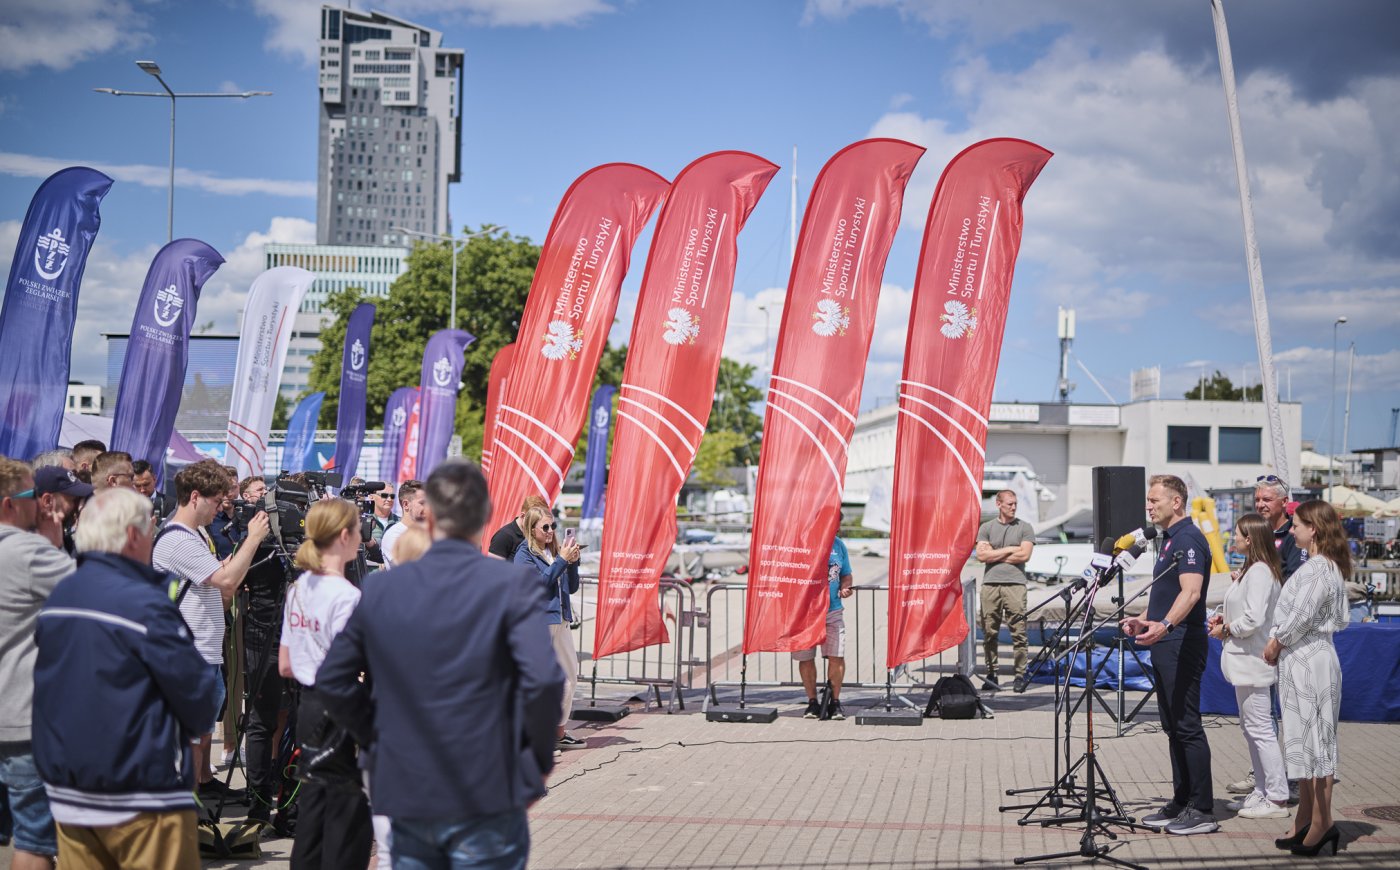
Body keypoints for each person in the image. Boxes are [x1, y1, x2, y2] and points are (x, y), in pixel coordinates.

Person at [317, 459, 564, 869]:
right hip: (487, 784)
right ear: (485, 517)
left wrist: (376, 735)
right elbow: (542, 683)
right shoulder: (510, 585)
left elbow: (333, 678)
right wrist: (534, 764)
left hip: (410, 783)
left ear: (429, 515)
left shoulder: (383, 588)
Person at [31, 488, 222, 869]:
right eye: (150, 527)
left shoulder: (62, 595)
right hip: (142, 793)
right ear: (133, 536)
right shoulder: (145, 603)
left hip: (70, 791)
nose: (154, 535)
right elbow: (199, 698)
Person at [152, 460, 270, 797]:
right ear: (194, 497)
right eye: (217, 501)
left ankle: (196, 802)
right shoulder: (179, 539)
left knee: (199, 737)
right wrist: (253, 538)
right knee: (189, 743)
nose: (221, 507)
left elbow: (220, 587)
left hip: (203, 652)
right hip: (189, 656)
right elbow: (227, 580)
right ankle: (185, 819)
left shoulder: (192, 536)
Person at [277, 499, 372, 869]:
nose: (362, 535)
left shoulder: (299, 587)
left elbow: (286, 663)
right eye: (359, 528)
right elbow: (347, 667)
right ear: (345, 535)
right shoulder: (346, 596)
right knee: (345, 822)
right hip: (340, 711)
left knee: (313, 813)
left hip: (307, 708)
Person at [1121, 473, 1216, 835]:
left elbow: (1191, 594)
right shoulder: (1168, 540)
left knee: (1187, 725)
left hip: (1182, 643)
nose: (1148, 505)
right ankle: (1182, 800)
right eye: (1148, 499)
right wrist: (1144, 620)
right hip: (1165, 641)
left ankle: (1203, 808)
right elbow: (1168, 595)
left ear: (1176, 502)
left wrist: (1166, 627)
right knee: (1172, 726)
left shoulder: (1189, 538)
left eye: (1154, 499)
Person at [0, 458, 76, 870]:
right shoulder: (27, 551)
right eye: (33, 497)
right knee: (34, 841)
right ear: (10, 504)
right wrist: (53, 540)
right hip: (21, 722)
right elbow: (87, 597)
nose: (42, 507)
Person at [1264, 500, 1350, 856]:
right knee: (1303, 743)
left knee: (1318, 745)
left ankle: (1322, 822)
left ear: (1313, 529)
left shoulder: (1318, 569)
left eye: (1297, 524)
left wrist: (1275, 642)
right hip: (1303, 659)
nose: (1292, 529)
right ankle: (1305, 817)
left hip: (1310, 659)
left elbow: (1301, 614)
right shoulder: (1316, 565)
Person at [1226, 474, 1307, 799]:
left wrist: (1253, 584)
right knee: (1259, 722)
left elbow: (1294, 586)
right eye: (1257, 500)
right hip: (1267, 639)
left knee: (1277, 716)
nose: (1260, 505)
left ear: (1282, 503)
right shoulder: (1260, 542)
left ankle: (1286, 782)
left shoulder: (1292, 536)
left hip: (1283, 638)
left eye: (1266, 500)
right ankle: (1264, 780)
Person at [1208, 513, 1289, 820]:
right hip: (1244, 661)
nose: (1234, 539)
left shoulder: (1259, 572)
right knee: (1251, 727)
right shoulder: (1250, 570)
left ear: (1250, 538)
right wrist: (1222, 620)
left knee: (1260, 729)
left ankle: (1277, 796)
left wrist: (1226, 629)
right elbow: (1243, 609)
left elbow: (1254, 619)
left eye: (1239, 534)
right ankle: (1264, 790)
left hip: (1254, 661)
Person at [235, 474, 295, 826]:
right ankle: (258, 804)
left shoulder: (305, 538)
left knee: (297, 722)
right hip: (263, 633)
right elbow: (236, 578)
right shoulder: (256, 538)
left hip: (297, 634)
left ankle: (289, 807)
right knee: (261, 721)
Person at [514, 506, 584, 750]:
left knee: (569, 679)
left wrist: (572, 562)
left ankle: (558, 733)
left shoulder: (555, 551)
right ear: (532, 529)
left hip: (561, 620)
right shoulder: (524, 554)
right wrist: (563, 560)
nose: (551, 531)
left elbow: (572, 587)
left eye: (553, 526)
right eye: (545, 527)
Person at [975, 490, 1034, 692]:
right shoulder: (986, 528)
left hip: (1015, 585)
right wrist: (1010, 549)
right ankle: (992, 674)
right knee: (989, 632)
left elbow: (1024, 555)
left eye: (1015, 503)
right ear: (999, 504)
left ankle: (1020, 675)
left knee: (1019, 632)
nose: (1014, 507)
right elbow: (982, 557)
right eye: (1009, 504)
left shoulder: (1025, 528)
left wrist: (995, 553)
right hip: (990, 585)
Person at [794, 535, 854, 720]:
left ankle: (835, 702)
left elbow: (846, 574)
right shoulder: (801, 542)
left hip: (833, 611)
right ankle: (812, 702)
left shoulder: (838, 544)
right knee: (805, 657)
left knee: (837, 656)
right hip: (805, 613)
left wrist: (846, 587)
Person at [33, 466, 90, 556]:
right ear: (48, 501)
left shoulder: (60, 535)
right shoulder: (31, 545)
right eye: (73, 500)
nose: (77, 506)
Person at [378, 479, 424, 569]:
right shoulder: (394, 535)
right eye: (422, 503)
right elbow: (410, 568)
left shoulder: (429, 533)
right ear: (406, 504)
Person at [489, 495, 550, 560]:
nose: (539, 524)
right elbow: (492, 568)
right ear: (523, 516)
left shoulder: (537, 534)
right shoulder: (503, 536)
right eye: (534, 520)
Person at [362, 482, 398, 569]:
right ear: (371, 496)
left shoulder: (400, 523)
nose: (389, 499)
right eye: (384, 495)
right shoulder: (362, 523)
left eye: (392, 496)